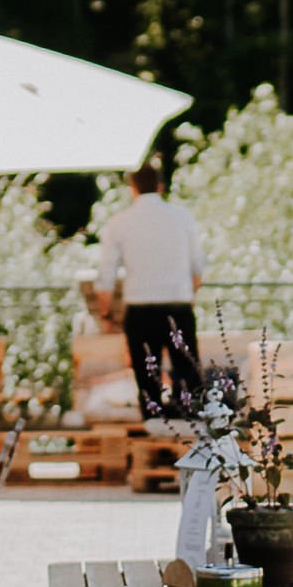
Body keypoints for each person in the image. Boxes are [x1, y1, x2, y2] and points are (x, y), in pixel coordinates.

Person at [93, 160, 204, 421]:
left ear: (132, 187)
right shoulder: (182, 218)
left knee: (147, 378)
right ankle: (188, 429)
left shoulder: (119, 223)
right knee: (187, 373)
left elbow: (105, 277)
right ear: (161, 185)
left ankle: (155, 428)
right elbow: (198, 269)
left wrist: (106, 313)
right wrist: (189, 298)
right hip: (178, 304)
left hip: (140, 309)